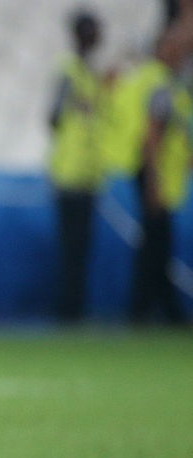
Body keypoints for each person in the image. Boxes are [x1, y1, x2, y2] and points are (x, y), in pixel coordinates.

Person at [125, 28, 191, 324]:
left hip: (159, 175)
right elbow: (152, 137)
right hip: (155, 175)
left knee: (157, 243)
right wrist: (154, 182)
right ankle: (146, 309)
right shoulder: (162, 85)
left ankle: (153, 307)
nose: (183, 53)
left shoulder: (164, 82)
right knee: (155, 244)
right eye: (177, 48)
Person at [47, 10, 106, 323]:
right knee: (72, 248)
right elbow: (53, 116)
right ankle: (69, 312)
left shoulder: (89, 73)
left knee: (80, 248)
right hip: (70, 174)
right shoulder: (71, 72)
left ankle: (74, 311)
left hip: (86, 174)